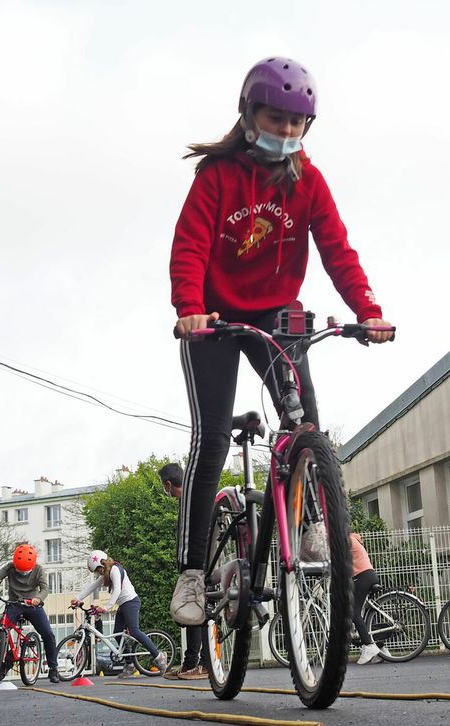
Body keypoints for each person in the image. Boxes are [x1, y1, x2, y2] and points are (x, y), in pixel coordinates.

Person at [168, 56, 394, 626]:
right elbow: (190, 247)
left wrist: (367, 312)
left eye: (297, 122)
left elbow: (337, 251)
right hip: (214, 317)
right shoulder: (217, 178)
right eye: (276, 118)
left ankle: (317, 527)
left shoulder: (309, 181)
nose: (286, 130)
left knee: (305, 422)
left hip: (274, 312)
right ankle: (193, 573)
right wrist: (190, 310)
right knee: (213, 437)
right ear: (250, 116)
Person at [71, 550, 168, 677]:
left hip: (131, 602)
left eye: (97, 570)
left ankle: (159, 656)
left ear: (102, 564)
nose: (98, 573)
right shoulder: (106, 573)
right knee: (117, 633)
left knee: (134, 631)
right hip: (123, 605)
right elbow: (92, 586)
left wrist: (106, 608)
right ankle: (130, 665)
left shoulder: (115, 570)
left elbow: (117, 590)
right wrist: (78, 598)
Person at [0, 543, 61, 683]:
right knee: (2, 630)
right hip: (14, 604)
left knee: (48, 634)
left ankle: (53, 668)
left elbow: (45, 589)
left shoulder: (38, 569)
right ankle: (4, 664)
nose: (21, 572)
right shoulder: (10, 566)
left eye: (24, 571)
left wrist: (38, 599)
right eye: (18, 569)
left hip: (32, 605)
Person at [158, 463, 210, 679]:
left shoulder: (191, 500)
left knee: (203, 613)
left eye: (164, 486)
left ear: (169, 484)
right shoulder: (187, 500)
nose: (165, 490)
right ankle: (191, 664)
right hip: (194, 564)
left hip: (199, 565)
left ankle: (205, 665)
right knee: (193, 614)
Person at [350, 532, 383, 665]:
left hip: (362, 576)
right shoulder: (352, 538)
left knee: (354, 612)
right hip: (369, 574)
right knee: (366, 614)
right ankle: (380, 648)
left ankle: (369, 646)